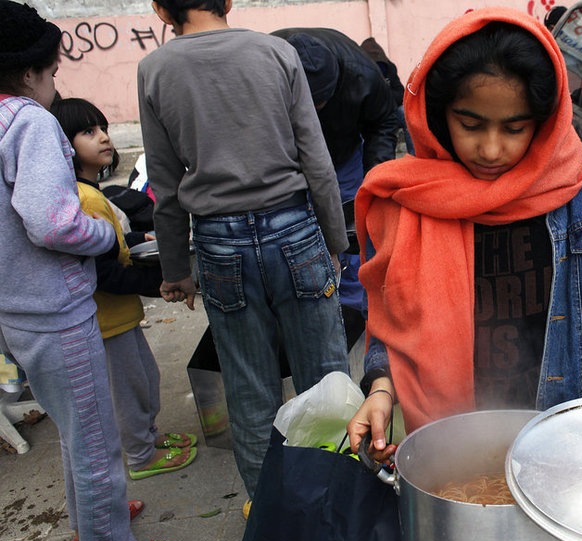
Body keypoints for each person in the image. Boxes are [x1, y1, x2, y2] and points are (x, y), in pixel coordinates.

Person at [346, 8, 582, 541]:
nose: (491, 149)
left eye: (514, 128)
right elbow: (389, 324)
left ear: (544, 121)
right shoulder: (411, 204)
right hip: (449, 456)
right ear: (437, 116)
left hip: (556, 448)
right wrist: (379, 391)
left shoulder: (580, 200)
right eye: (470, 124)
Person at [0, 0, 186, 541]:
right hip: (55, 307)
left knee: (76, 428)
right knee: (96, 437)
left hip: (17, 308)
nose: (55, 84)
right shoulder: (28, 121)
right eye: (54, 73)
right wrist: (103, 232)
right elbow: (53, 221)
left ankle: (93, 518)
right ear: (31, 72)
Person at [138, 0, 350, 501]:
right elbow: (315, 159)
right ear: (228, 1)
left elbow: (164, 186)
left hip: (218, 242)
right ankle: (339, 499)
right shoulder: (276, 52)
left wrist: (175, 269)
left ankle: (270, 514)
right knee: (326, 380)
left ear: (159, 9)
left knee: (249, 389)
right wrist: (335, 241)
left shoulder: (155, 69)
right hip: (295, 230)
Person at [51, 97, 198, 491]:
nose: (103, 138)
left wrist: (140, 237)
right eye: (88, 132)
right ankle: (139, 455)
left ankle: (146, 438)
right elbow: (106, 274)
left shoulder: (92, 191)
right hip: (105, 322)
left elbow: (113, 240)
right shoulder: (82, 199)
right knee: (129, 391)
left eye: (103, 129)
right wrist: (162, 284)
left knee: (146, 378)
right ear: (63, 145)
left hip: (121, 317)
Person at [271, 26, 402, 350]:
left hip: (343, 157)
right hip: (285, 160)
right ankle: (303, 305)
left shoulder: (363, 74)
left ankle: (354, 311)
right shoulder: (269, 64)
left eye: (321, 103)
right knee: (293, 229)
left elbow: (384, 122)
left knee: (351, 230)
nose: (312, 114)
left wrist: (374, 178)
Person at [360, 36, 415, 156]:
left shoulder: (389, 68)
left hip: (390, 109)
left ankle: (414, 155)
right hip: (369, 115)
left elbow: (401, 93)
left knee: (406, 113)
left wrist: (383, 95)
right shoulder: (359, 72)